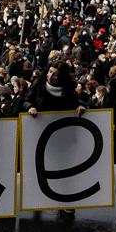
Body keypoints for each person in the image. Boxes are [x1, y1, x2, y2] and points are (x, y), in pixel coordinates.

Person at [23, 62, 84, 217]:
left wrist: (80, 107)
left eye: (55, 73)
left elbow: (77, 103)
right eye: (50, 71)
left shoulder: (69, 89)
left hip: (62, 135)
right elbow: (26, 100)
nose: (51, 75)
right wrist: (30, 107)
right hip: (40, 133)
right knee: (40, 165)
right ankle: (38, 198)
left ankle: (66, 201)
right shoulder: (38, 84)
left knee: (63, 167)